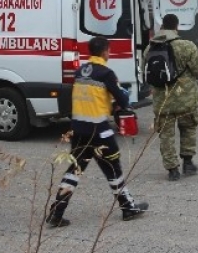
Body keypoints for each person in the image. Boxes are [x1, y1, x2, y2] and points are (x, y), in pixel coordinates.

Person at [46, 37, 148, 227]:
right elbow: (123, 100)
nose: (109, 54)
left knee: (74, 171)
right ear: (104, 52)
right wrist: (122, 96)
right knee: (113, 168)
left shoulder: (79, 72)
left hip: (78, 130)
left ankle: (56, 211)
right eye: (108, 51)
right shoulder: (106, 74)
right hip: (99, 131)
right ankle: (128, 207)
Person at [145, 13, 198, 181]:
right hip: (186, 98)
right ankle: (188, 163)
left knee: (166, 135)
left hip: (163, 100)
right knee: (188, 128)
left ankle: (172, 169)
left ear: (162, 27)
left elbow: (145, 72)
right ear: (176, 27)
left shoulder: (149, 48)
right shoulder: (186, 46)